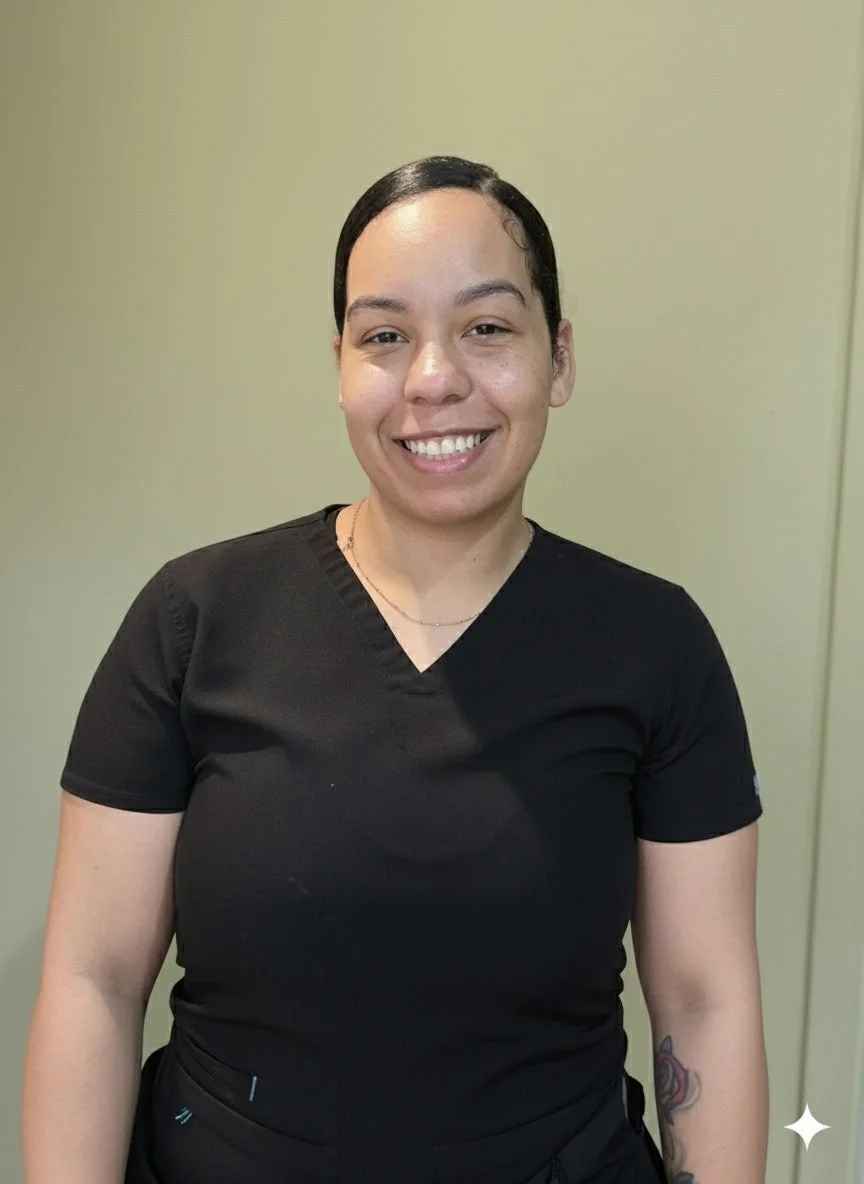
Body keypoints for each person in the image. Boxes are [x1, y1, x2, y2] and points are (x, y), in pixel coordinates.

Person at [22, 155, 768, 1184]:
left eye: (487, 327)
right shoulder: (194, 618)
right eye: (384, 334)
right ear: (339, 364)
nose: (433, 378)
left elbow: (705, 1002)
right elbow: (92, 977)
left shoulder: (655, 645)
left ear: (558, 357)